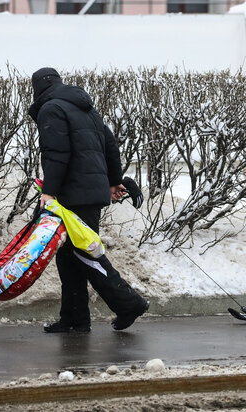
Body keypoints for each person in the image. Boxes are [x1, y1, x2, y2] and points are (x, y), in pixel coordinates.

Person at [28, 67, 149, 333]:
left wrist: (48, 191)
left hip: (74, 193)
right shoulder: (85, 109)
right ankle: (75, 319)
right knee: (70, 256)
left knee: (85, 254)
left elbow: (56, 154)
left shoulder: (52, 109)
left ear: (37, 89)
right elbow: (109, 144)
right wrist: (114, 180)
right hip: (87, 191)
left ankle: (129, 303)